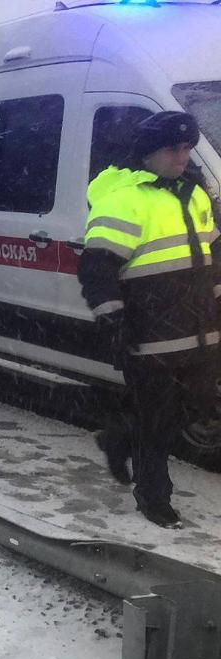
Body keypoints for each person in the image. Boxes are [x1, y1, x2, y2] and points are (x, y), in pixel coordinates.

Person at [80, 111, 221, 528]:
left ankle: (119, 436)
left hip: (199, 330)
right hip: (150, 333)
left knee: (200, 406)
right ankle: (154, 498)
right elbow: (97, 269)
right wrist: (114, 320)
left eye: (187, 148)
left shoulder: (193, 194)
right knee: (158, 424)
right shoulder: (125, 199)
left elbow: (212, 258)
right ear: (149, 154)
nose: (183, 157)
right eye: (174, 149)